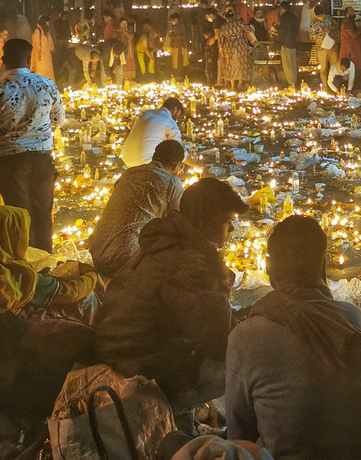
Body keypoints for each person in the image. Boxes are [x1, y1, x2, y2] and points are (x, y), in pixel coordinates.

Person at [94, 177, 248, 428]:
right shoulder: (190, 263)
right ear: (206, 223)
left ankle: (189, 416)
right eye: (227, 221)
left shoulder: (166, 240)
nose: (230, 231)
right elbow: (219, 343)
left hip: (119, 352)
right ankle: (215, 428)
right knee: (251, 363)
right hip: (142, 370)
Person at [225, 215, 361, 460]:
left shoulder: (246, 336)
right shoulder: (353, 319)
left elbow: (238, 438)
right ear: (323, 265)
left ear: (267, 267)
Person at [0, 39, 64, 252]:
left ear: (3, 61)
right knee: (43, 216)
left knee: (19, 217)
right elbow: (58, 120)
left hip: (11, 164)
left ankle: (25, 267)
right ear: (29, 60)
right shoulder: (46, 85)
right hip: (42, 160)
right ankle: (44, 267)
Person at [0, 205, 97, 317]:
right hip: (18, 333)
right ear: (9, 238)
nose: (28, 238)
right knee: (87, 298)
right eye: (22, 233)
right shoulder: (17, 276)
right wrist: (91, 274)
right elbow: (70, 293)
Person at [88, 139, 185, 279]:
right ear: (177, 165)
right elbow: (176, 222)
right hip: (125, 259)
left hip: (96, 251)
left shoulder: (128, 173)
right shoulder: (172, 182)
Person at [121, 97, 185, 168]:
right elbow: (179, 150)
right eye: (177, 116)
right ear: (174, 109)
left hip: (126, 160)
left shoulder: (146, 113)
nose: (176, 119)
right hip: (146, 163)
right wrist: (195, 164)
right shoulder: (169, 121)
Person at [217, 9, 256, 91]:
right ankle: (240, 84)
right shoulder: (239, 23)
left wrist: (221, 50)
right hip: (240, 46)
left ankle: (232, 86)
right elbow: (249, 29)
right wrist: (254, 40)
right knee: (241, 64)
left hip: (229, 47)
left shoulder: (223, 27)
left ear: (226, 18)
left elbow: (220, 40)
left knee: (231, 65)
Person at [309, 4, 338, 91]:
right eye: (319, 16)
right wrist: (321, 34)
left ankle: (335, 86)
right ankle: (325, 88)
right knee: (323, 69)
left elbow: (337, 26)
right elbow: (311, 36)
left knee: (335, 67)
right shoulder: (313, 23)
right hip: (322, 48)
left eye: (322, 15)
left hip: (332, 47)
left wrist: (330, 29)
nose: (321, 17)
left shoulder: (328, 19)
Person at [274, 1, 299, 91]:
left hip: (285, 42)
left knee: (287, 64)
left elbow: (282, 29)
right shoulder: (295, 17)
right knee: (293, 62)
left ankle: (291, 84)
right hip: (293, 42)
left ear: (282, 9)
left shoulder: (284, 17)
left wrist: (275, 30)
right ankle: (294, 82)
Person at [30, 15, 55, 82]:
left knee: (48, 71)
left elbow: (49, 43)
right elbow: (36, 44)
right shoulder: (37, 31)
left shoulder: (45, 31)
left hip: (46, 55)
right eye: (47, 22)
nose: (48, 24)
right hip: (40, 56)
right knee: (41, 71)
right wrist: (38, 54)